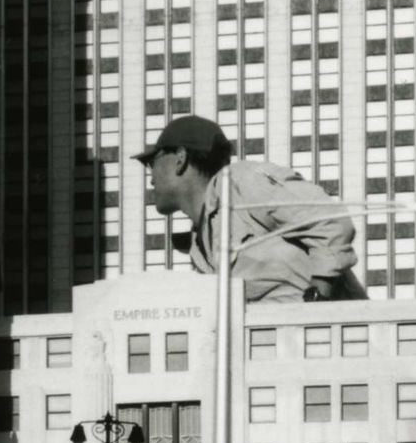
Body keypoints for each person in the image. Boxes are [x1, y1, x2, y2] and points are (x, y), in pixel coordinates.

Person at [137, 115, 357, 303]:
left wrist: (318, 298)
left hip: (326, 338)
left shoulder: (239, 181)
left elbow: (330, 220)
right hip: (272, 344)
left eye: (151, 162)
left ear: (180, 159)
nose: (151, 179)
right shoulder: (199, 244)